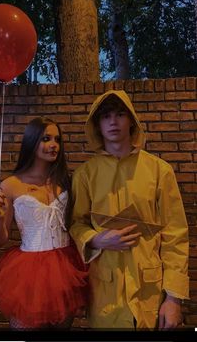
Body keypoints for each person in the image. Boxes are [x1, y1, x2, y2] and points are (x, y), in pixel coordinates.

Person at [69, 89, 189, 330]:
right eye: (106, 116)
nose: (113, 121)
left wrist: (174, 297)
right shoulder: (85, 175)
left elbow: (175, 235)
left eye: (120, 114)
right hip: (105, 292)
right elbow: (75, 224)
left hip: (150, 293)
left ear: (131, 121)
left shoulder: (160, 171)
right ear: (97, 125)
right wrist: (96, 239)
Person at [0, 117, 88, 330]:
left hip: (65, 266)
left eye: (57, 139)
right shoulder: (11, 184)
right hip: (28, 271)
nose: (53, 145)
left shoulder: (65, 181)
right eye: (46, 138)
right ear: (31, 141)